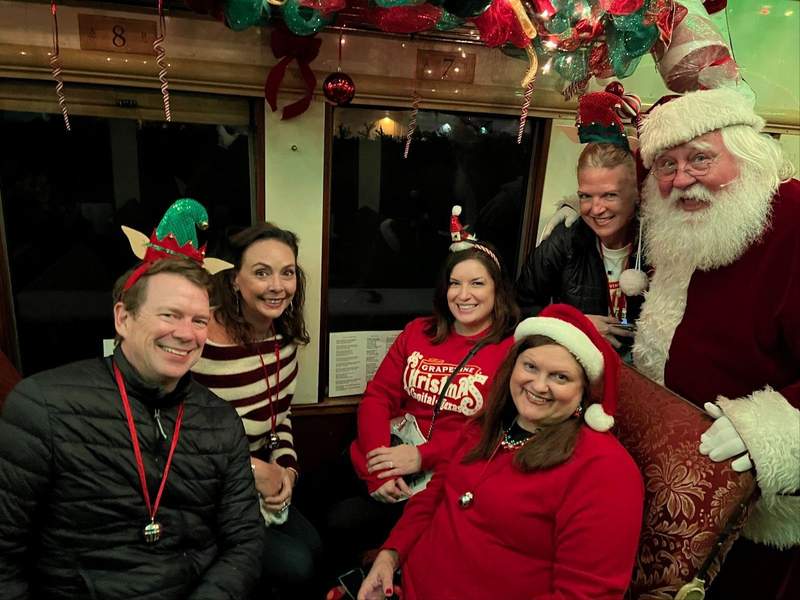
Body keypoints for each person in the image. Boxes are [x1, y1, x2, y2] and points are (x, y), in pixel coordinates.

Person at [0, 201, 264, 599]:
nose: (186, 333)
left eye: (198, 321)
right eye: (169, 315)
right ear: (123, 318)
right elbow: (5, 559)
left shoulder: (220, 420)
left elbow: (244, 542)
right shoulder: (42, 407)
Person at [633, 87, 800, 599]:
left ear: (745, 154)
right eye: (666, 164)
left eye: (700, 158)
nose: (681, 179)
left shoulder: (792, 217)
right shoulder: (682, 224)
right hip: (676, 492)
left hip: (760, 514)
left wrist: (770, 431)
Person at [358, 303, 644, 600]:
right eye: (530, 366)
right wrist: (390, 556)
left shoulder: (605, 470)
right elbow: (434, 495)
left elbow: (587, 594)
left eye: (560, 377)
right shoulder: (484, 425)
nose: (539, 385)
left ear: (584, 390)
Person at [325, 207, 520, 579]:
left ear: (498, 288)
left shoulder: (512, 351)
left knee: (342, 522)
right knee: (315, 492)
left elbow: (493, 431)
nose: (463, 295)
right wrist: (377, 470)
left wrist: (421, 456)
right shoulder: (418, 331)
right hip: (384, 455)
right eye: (454, 283)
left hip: (441, 478)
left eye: (477, 283)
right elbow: (378, 397)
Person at [191, 222, 322, 599]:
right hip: (208, 493)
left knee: (314, 548)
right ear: (235, 280)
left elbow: (281, 420)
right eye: (261, 272)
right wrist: (251, 471)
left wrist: (288, 473)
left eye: (287, 272)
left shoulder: (284, 341)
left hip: (261, 484)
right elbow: (179, 438)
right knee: (298, 565)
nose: (277, 286)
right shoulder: (199, 343)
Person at [517, 85, 648, 352]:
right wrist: (574, 325)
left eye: (609, 195)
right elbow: (518, 309)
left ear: (636, 195)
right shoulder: (564, 242)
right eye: (586, 196)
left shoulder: (661, 245)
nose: (595, 209)